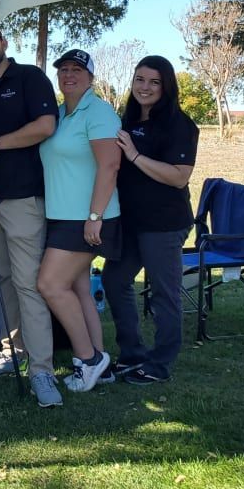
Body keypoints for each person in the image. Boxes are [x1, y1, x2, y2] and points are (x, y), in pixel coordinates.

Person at [0, 20, 62, 408]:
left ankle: (42, 371)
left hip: (23, 198)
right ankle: (12, 350)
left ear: (2, 42)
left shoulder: (29, 77)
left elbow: (45, 125)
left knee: (28, 284)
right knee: (4, 277)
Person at [102, 55, 199, 386]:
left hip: (164, 223)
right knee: (115, 280)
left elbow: (178, 177)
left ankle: (161, 362)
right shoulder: (126, 121)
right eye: (140, 79)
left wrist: (135, 156)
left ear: (166, 86)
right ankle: (132, 353)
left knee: (163, 292)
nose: (145, 87)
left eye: (153, 81)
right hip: (130, 221)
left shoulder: (179, 124)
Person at [37, 49, 120, 393]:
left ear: (90, 77)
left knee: (50, 285)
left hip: (87, 219)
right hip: (62, 216)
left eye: (76, 69)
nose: (68, 75)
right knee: (79, 289)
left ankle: (87, 360)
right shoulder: (60, 114)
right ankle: (102, 361)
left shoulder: (98, 112)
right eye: (63, 69)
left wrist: (94, 216)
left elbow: (110, 166)